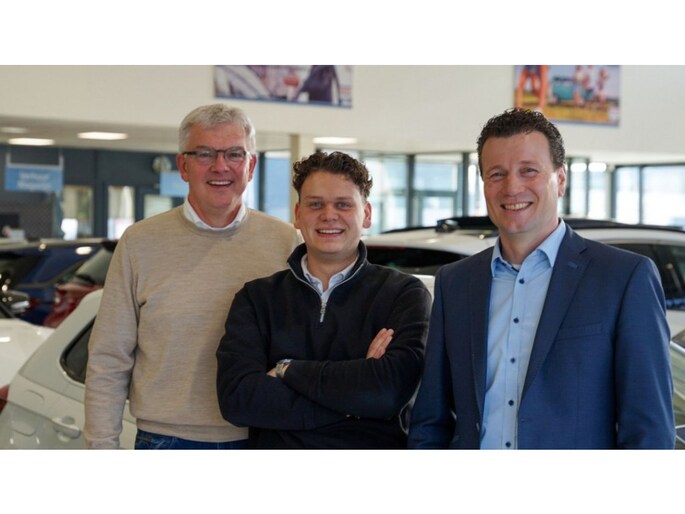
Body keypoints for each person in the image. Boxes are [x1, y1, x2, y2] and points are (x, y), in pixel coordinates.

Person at [408, 108, 675, 449]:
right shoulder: (456, 282)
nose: (512, 187)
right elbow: (431, 420)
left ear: (560, 179)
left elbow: (649, 430)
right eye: (497, 174)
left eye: (529, 171)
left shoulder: (624, 278)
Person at [84, 104, 300, 449]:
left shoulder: (286, 242)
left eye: (234, 154)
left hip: (263, 437)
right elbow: (109, 357)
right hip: (165, 441)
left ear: (251, 166)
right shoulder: (140, 242)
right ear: (183, 166)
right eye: (204, 153)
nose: (220, 166)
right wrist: (101, 448)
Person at [216, 151, 432, 448]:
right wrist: (356, 399)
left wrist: (287, 369)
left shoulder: (404, 295)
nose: (329, 215)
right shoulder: (257, 298)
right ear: (298, 214)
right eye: (315, 204)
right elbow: (238, 400)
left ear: (367, 214)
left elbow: (387, 393)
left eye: (343, 204)